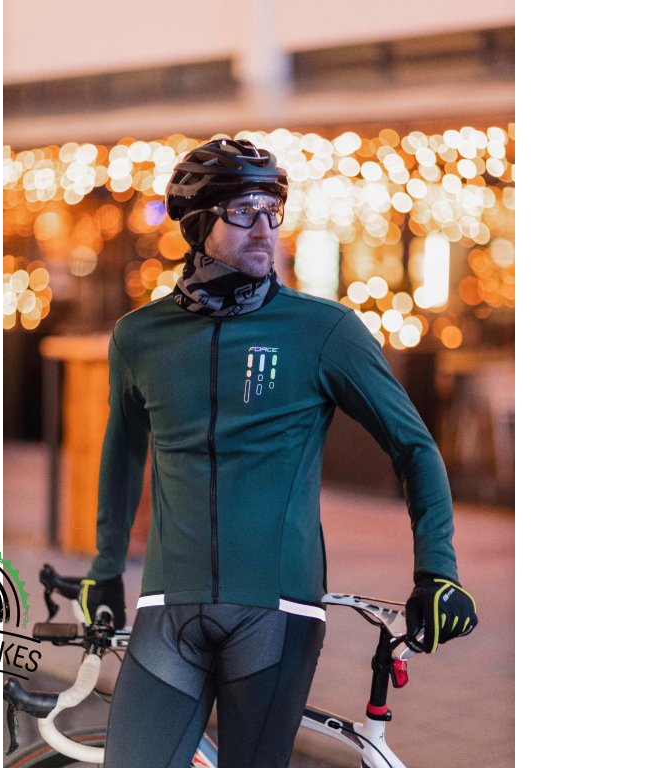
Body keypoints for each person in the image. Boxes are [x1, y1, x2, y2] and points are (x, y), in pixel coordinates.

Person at [81, 137, 477, 767]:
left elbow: (413, 446)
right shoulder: (139, 337)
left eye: (272, 210)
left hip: (277, 608)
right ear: (198, 224)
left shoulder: (323, 330)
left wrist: (437, 570)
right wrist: (104, 570)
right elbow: (122, 455)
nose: (264, 228)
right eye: (243, 212)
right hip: (168, 605)